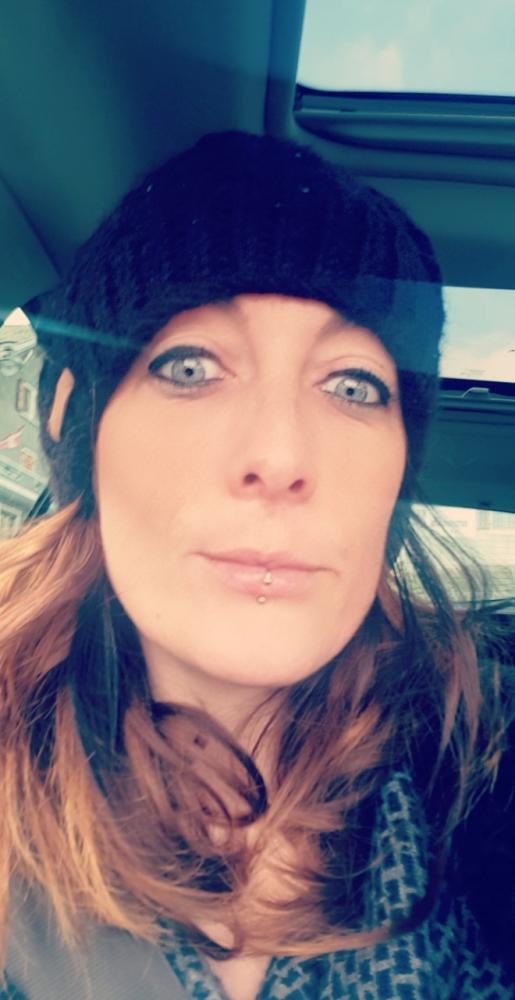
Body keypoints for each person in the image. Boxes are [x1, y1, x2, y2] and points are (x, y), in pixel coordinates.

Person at [0, 130, 514, 1000]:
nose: (279, 456)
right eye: (189, 366)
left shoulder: (479, 771)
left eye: (351, 385)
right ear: (72, 425)